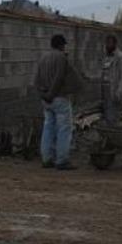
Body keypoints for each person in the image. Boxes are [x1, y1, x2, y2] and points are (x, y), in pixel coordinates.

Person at [33, 34, 83, 170]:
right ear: (61, 45)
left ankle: (46, 159)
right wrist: (51, 94)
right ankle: (62, 160)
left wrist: (43, 94)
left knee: (48, 127)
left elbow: (36, 80)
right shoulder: (61, 57)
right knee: (64, 129)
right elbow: (59, 78)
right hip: (59, 98)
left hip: (45, 100)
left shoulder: (43, 58)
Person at [100, 34, 122, 127]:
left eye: (110, 43)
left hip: (114, 90)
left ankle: (114, 135)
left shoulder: (121, 57)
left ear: (115, 44)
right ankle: (110, 135)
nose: (107, 45)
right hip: (106, 91)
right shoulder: (106, 57)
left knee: (113, 116)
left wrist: (119, 92)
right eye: (106, 43)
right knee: (108, 115)